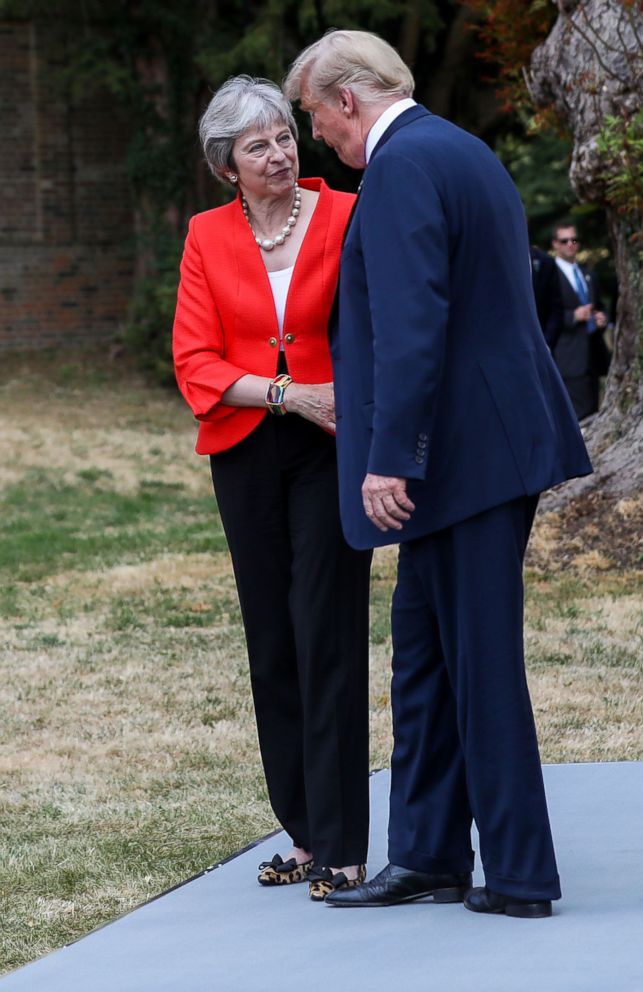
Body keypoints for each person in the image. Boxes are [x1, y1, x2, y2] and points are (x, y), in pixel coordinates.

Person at [284, 31, 592, 918]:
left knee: (479, 662)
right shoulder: (458, 149)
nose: (319, 141)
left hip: (461, 462)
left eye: (315, 119)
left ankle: (521, 874)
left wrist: (389, 456)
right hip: (475, 451)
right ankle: (425, 853)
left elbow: (413, 325)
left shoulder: (404, 167)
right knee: (422, 655)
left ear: (347, 99)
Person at [172, 76, 372, 902]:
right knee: (272, 647)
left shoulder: (346, 214)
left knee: (326, 634)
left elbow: (374, 325)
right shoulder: (205, 237)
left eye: (285, 136)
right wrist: (289, 393)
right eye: (257, 145)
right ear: (228, 167)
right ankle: (300, 831)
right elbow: (195, 360)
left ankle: (345, 845)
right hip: (248, 451)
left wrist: (344, 405)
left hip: (332, 448)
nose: (279, 154)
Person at [551, 222, 611, 420]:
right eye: (564, 240)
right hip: (569, 357)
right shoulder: (549, 276)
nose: (570, 244)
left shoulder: (588, 274)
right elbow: (543, 314)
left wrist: (602, 319)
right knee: (578, 416)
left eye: (574, 239)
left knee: (594, 411)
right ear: (555, 244)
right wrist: (573, 316)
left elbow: (600, 306)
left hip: (594, 353)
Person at [530, 244, 563, 351]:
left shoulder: (545, 261)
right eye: (564, 241)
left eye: (574, 241)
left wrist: (546, 344)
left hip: (540, 345)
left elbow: (555, 308)